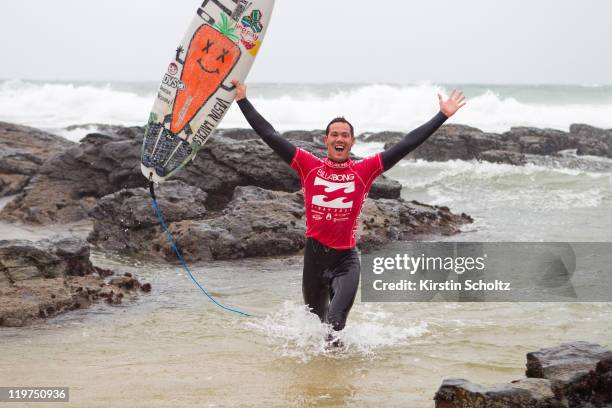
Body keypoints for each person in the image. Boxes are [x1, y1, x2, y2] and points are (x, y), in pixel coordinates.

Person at [231, 80, 465, 344]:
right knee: (316, 325)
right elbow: (271, 136)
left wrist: (442, 115)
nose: (339, 138)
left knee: (335, 324)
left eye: (345, 135)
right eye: (334, 134)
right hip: (314, 260)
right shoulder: (309, 166)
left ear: (352, 141)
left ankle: (339, 380)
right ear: (326, 140)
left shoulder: (364, 171)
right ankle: (319, 379)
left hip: (345, 262)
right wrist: (242, 100)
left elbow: (406, 144)